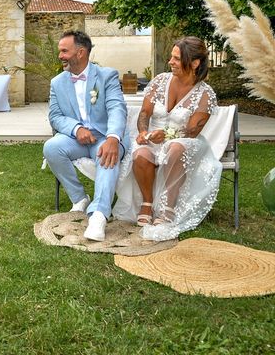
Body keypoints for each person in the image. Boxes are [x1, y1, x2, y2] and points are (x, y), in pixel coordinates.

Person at [113, 36, 222, 241]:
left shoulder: (205, 94)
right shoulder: (160, 81)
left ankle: (168, 208)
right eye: (171, 57)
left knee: (176, 148)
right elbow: (144, 114)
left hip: (184, 141)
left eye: (176, 58)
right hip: (154, 138)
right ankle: (147, 203)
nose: (170, 62)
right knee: (142, 153)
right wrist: (144, 132)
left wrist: (168, 135)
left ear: (195, 63)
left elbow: (192, 132)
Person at [43, 30, 129, 241]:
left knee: (107, 154)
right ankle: (80, 198)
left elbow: (117, 108)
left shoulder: (107, 75)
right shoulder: (57, 82)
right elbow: (55, 116)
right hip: (76, 139)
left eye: (64, 51)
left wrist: (113, 138)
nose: (60, 55)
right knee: (51, 148)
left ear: (80, 52)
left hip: (104, 136)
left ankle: (99, 215)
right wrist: (76, 129)